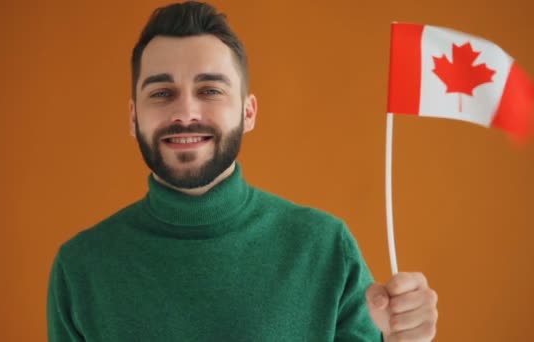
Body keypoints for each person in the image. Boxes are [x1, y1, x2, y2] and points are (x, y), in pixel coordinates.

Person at [47, 2, 438, 341]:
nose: (185, 113)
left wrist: (403, 341)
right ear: (134, 117)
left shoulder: (325, 248)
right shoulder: (80, 268)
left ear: (248, 112)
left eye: (210, 90)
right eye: (161, 93)